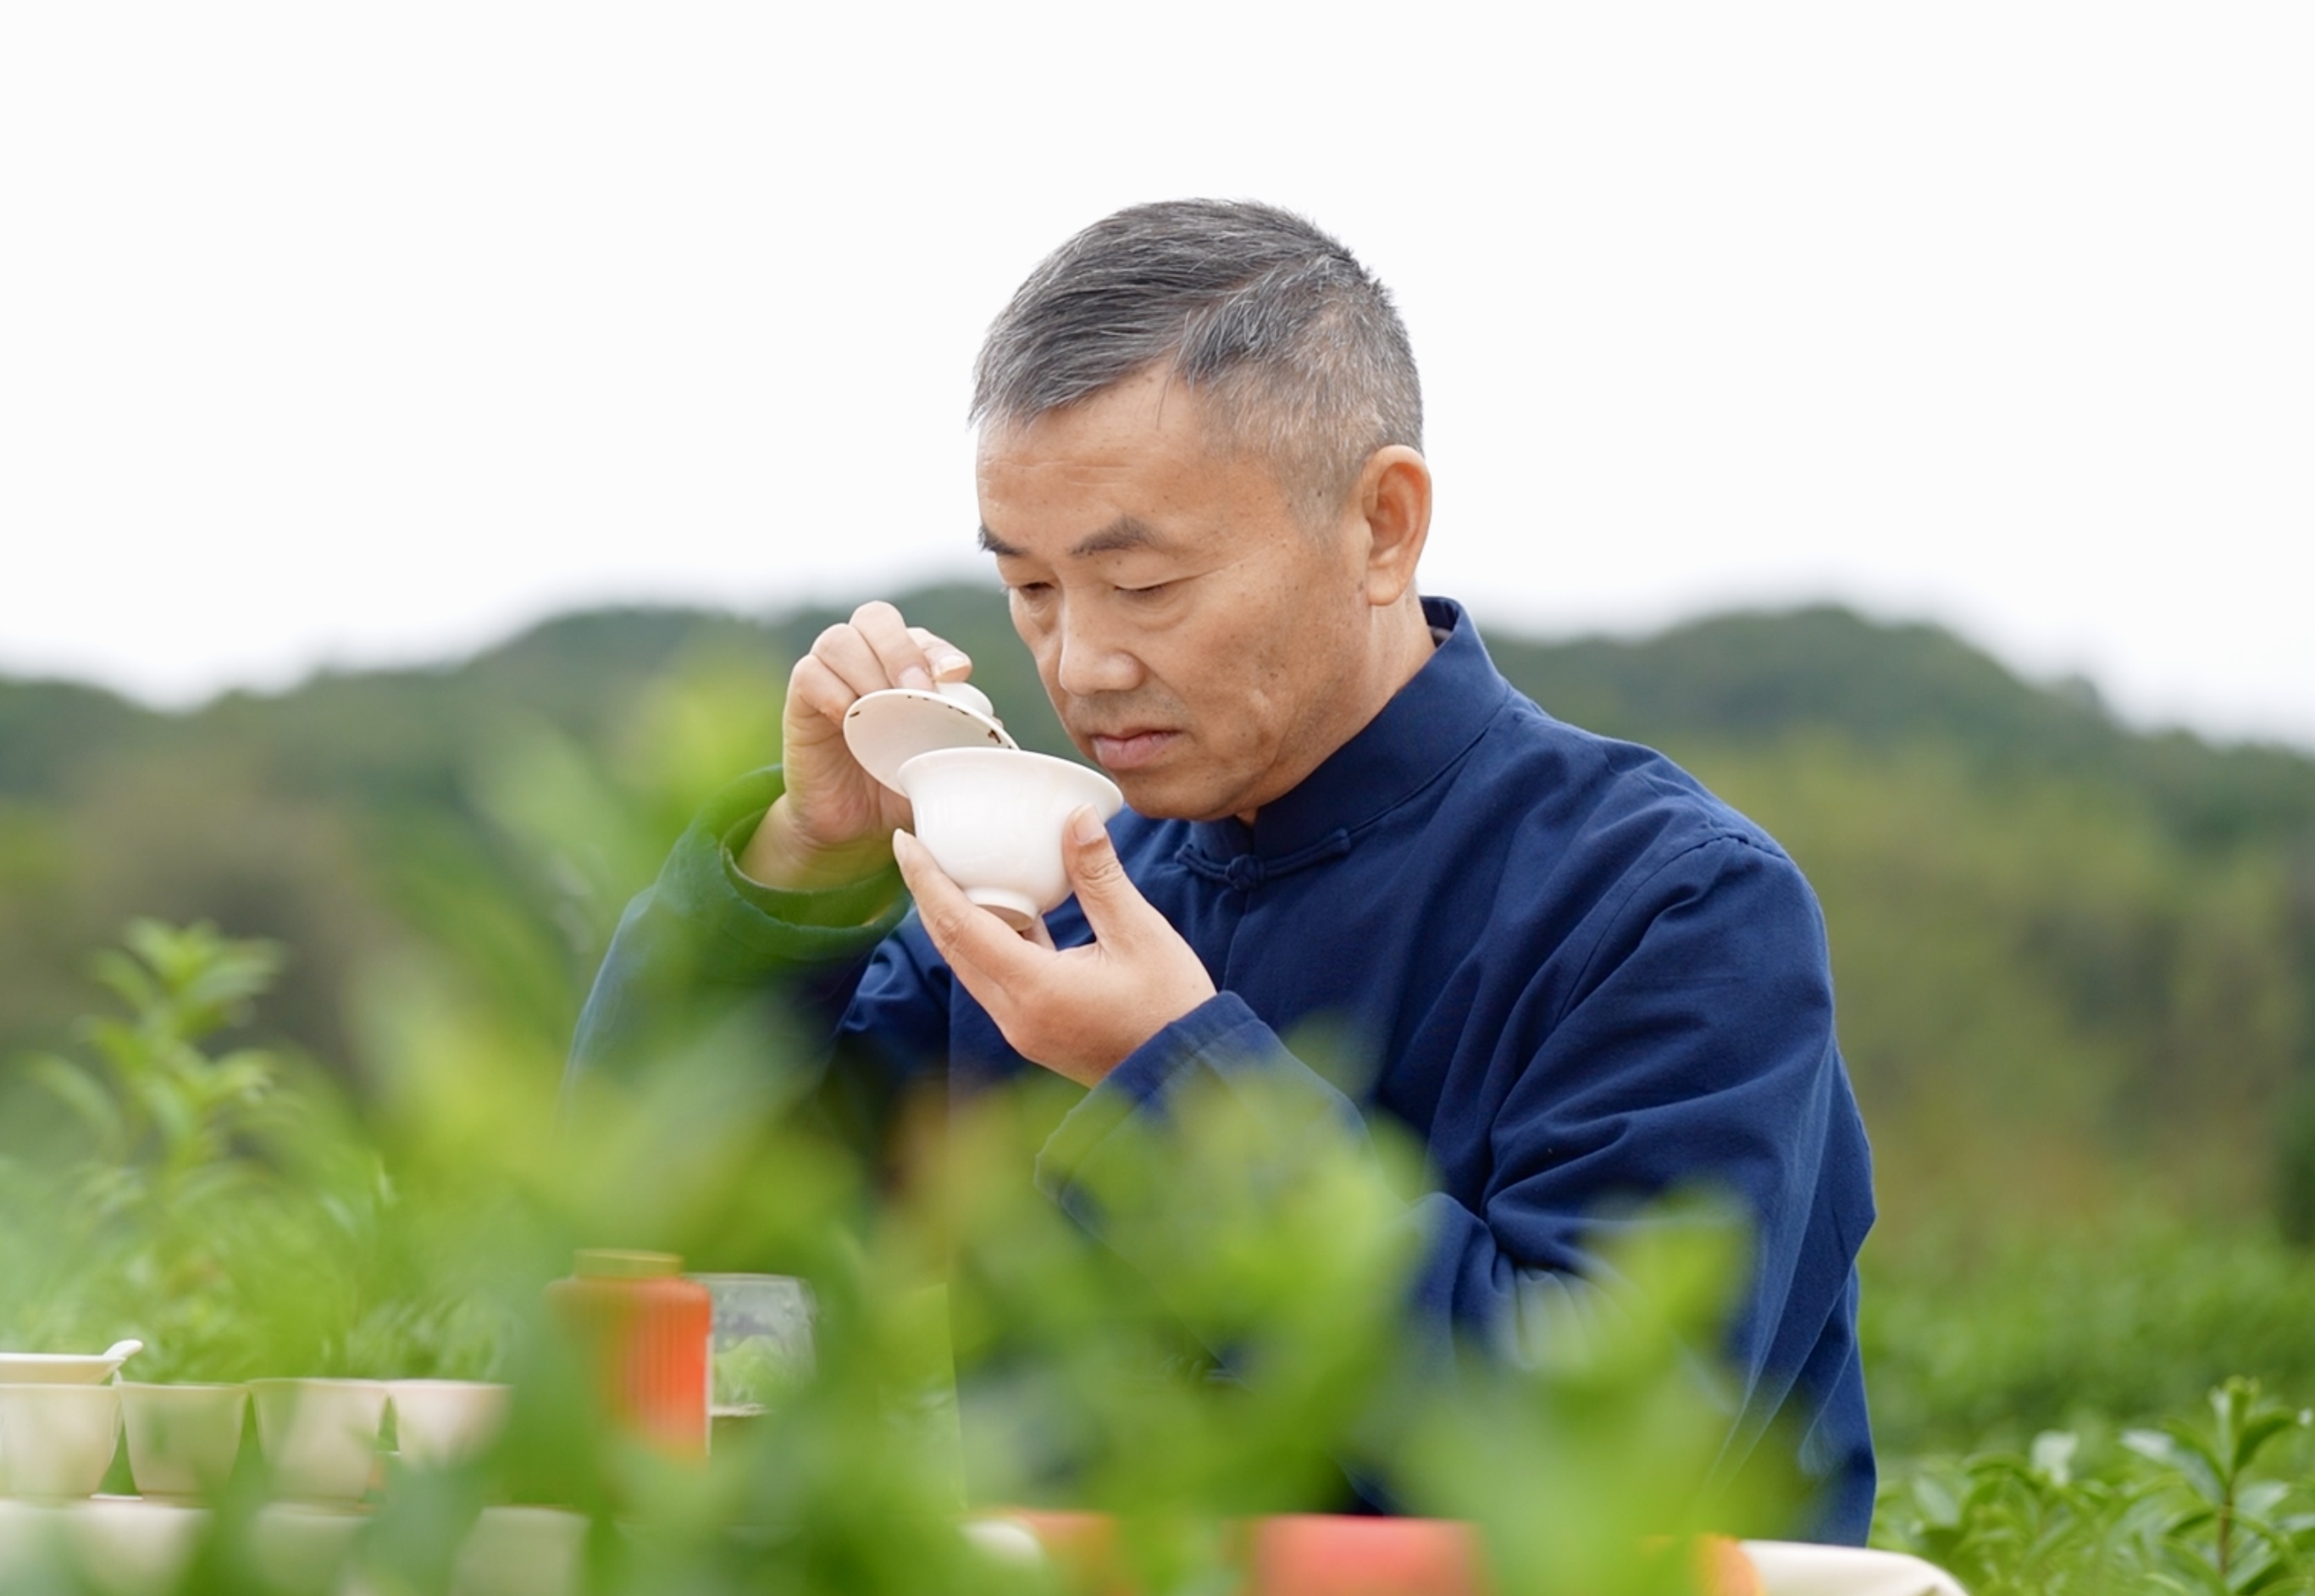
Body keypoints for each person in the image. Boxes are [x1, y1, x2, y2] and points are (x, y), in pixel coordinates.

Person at [568, 199, 1876, 1540]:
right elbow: (647, 1196)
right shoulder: (1046, 895)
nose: (1081, 664)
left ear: (1382, 524)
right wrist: (805, 855)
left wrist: (1184, 1082)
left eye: (1144, 586)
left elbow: (1596, 1451)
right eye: (1032, 591)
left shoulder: (1668, 906)